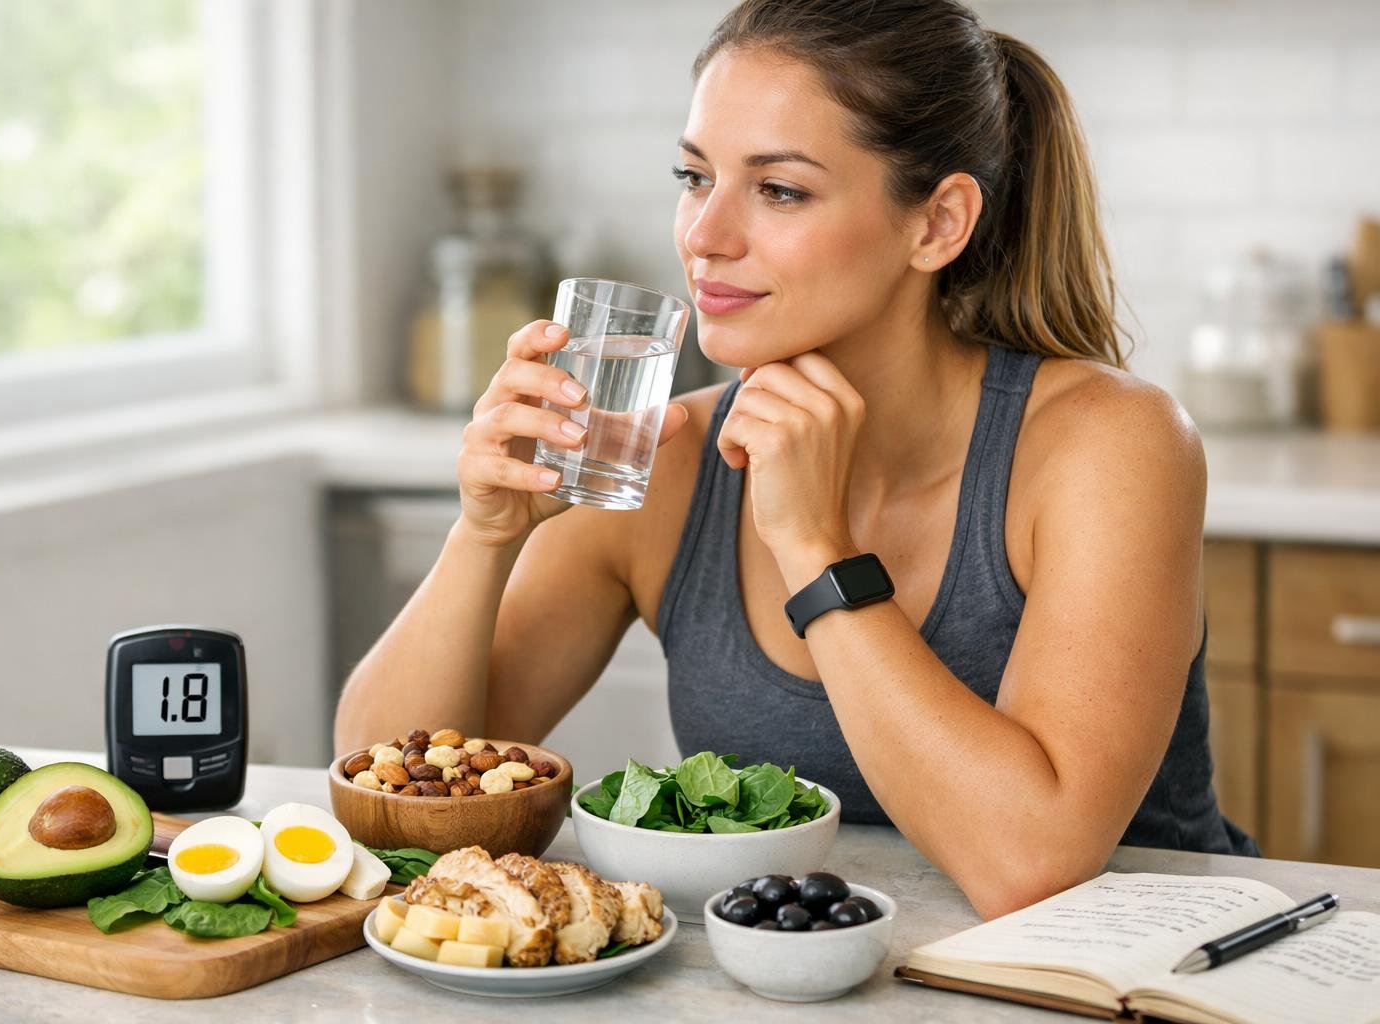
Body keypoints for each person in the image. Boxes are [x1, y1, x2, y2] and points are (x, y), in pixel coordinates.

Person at [335, 0, 1258, 920]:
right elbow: (387, 812)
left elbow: (1031, 866)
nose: (704, 236)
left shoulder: (1110, 443)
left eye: (779, 190)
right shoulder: (668, 459)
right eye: (694, 178)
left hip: (1142, 976)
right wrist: (483, 535)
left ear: (937, 224)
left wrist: (816, 548)